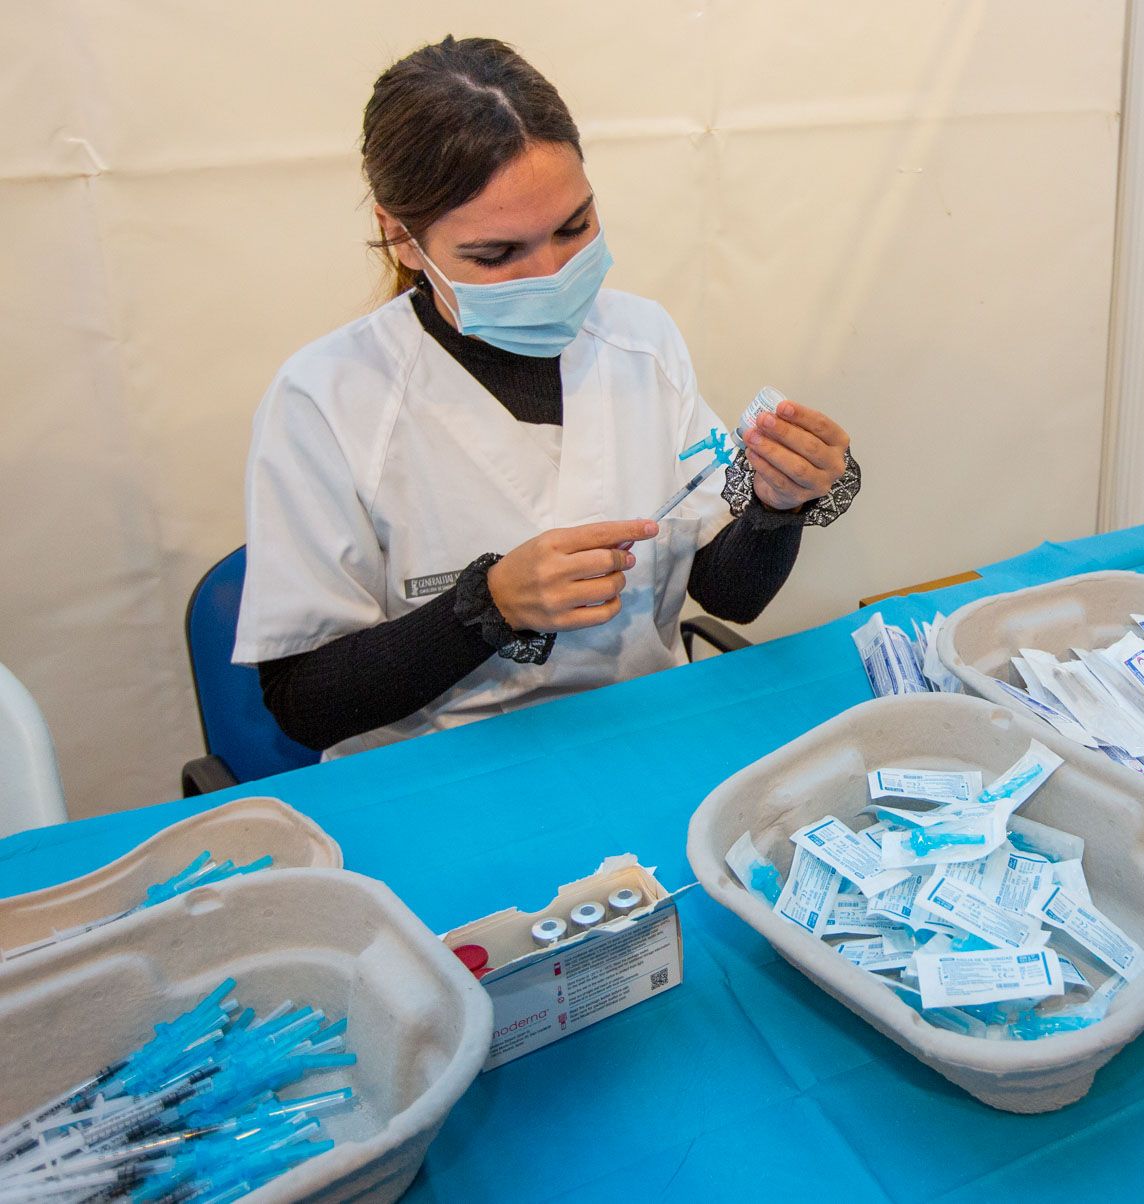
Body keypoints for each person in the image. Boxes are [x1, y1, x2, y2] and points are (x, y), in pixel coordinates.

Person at [232, 36, 859, 758]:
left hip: (642, 731)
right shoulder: (325, 399)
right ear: (401, 237)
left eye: (574, 228)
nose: (552, 273)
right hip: (442, 769)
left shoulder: (641, 341)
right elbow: (305, 705)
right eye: (497, 255)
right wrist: (486, 607)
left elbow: (728, 595)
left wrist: (777, 508)